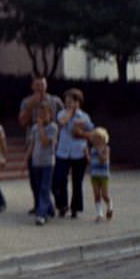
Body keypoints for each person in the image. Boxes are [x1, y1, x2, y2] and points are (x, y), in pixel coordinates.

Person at [18, 77, 63, 216]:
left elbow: (62, 119)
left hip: (50, 144)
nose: (40, 89)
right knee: (35, 179)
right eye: (37, 86)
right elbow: (22, 122)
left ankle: (54, 206)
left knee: (52, 179)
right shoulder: (26, 102)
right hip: (33, 142)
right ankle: (41, 205)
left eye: (42, 85)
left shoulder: (55, 101)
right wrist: (31, 106)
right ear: (32, 86)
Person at [54, 88, 94, 218]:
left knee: (77, 181)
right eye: (67, 101)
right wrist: (70, 113)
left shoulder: (85, 117)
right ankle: (62, 205)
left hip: (79, 152)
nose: (69, 103)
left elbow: (93, 133)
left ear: (78, 102)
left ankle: (75, 208)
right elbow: (62, 122)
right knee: (60, 179)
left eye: (72, 101)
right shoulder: (62, 113)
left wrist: (82, 133)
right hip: (63, 151)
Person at [29, 100, 58, 226]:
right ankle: (50, 208)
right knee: (38, 187)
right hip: (36, 161)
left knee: (44, 188)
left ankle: (42, 215)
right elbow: (33, 144)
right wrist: (26, 158)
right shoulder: (34, 128)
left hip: (47, 162)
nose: (41, 117)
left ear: (50, 114)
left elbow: (46, 142)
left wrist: (41, 127)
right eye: (39, 114)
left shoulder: (53, 127)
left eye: (44, 114)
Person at [87, 127, 113, 221]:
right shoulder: (93, 149)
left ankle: (110, 206)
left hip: (103, 174)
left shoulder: (106, 148)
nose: (97, 141)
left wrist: (99, 152)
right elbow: (91, 162)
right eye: (95, 139)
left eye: (99, 139)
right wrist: (87, 155)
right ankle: (99, 214)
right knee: (96, 194)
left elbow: (104, 160)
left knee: (104, 194)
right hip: (94, 174)